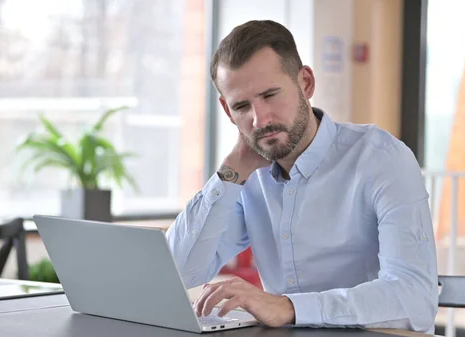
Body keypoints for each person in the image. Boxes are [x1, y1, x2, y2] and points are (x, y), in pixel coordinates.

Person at [165, 20, 438, 333]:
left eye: (270, 95)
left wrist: (289, 307)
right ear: (227, 112)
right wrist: (229, 173)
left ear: (305, 83)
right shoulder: (247, 175)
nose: (260, 120)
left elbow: (415, 300)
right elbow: (177, 273)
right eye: (242, 106)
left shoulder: (382, 159)